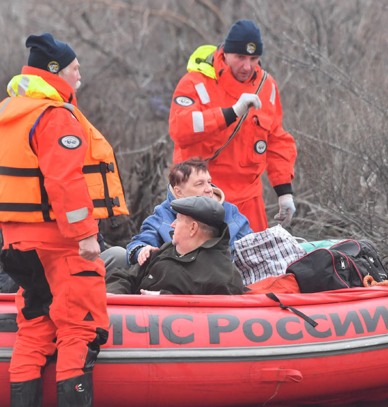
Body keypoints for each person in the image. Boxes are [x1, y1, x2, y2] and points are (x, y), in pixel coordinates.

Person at [0, 33, 128, 407]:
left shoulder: (7, 115)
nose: (80, 74)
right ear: (55, 71)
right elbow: (65, 182)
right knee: (80, 329)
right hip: (59, 242)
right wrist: (86, 236)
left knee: (34, 329)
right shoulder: (54, 115)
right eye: (75, 67)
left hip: (17, 244)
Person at [168, 20, 297, 232]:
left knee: (257, 253)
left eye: (253, 59)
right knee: (203, 253)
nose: (247, 66)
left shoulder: (267, 86)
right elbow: (180, 129)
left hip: (250, 201)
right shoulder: (195, 82)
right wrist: (231, 113)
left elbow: (277, 141)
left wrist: (284, 192)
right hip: (203, 198)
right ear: (225, 53)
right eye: (240, 57)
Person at [125, 158, 253, 267]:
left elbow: (252, 248)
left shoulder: (230, 212)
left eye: (209, 182)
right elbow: (139, 244)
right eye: (199, 184)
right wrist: (142, 251)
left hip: (224, 281)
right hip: (178, 281)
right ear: (179, 192)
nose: (209, 189)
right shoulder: (162, 215)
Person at [107, 196, 244, 295]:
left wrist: (167, 300)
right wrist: (115, 297)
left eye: (177, 220)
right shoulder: (166, 249)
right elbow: (125, 277)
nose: (172, 225)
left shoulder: (222, 274)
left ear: (192, 228)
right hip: (131, 319)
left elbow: (217, 315)